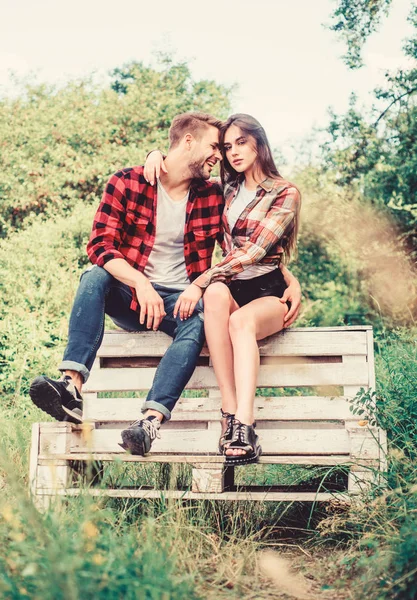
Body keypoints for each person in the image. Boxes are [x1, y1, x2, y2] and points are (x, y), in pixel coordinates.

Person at [144, 114, 301, 465]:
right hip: (231, 287)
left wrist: (199, 283)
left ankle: (245, 424)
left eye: (241, 142)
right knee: (216, 295)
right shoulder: (224, 191)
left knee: (240, 322)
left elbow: (256, 251)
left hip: (269, 293)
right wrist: (155, 154)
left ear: (259, 142)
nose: (232, 152)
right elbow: (181, 168)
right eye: (227, 146)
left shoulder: (284, 192)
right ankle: (228, 411)